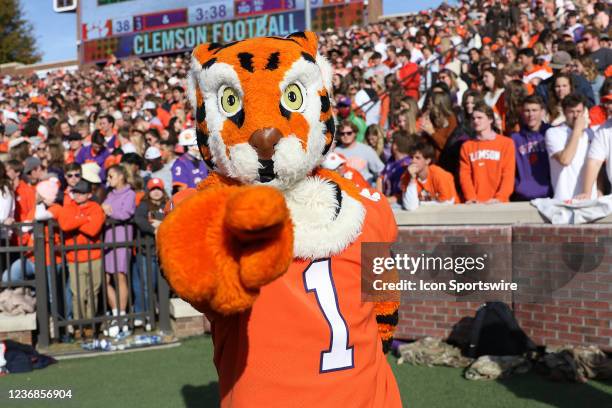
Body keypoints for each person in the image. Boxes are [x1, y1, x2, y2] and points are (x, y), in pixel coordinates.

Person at [51, 179, 105, 337]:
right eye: (76, 192)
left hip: (94, 256)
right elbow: (65, 225)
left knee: (93, 293)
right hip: (74, 257)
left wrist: (77, 221)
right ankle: (79, 325)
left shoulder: (95, 207)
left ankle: (90, 324)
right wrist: (84, 218)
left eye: (82, 193)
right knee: (78, 294)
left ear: (89, 194)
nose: (78, 196)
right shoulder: (68, 207)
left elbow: (94, 230)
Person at [101, 164, 136, 337]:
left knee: (120, 276)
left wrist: (110, 211)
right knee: (105, 278)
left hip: (122, 239)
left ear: (121, 176)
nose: (108, 179)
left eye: (111, 176)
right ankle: (116, 313)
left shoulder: (130, 194)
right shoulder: (109, 194)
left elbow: (126, 213)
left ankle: (121, 316)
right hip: (108, 239)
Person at [459, 102, 516, 203]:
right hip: (475, 204)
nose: (475, 121)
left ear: (490, 119)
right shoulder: (466, 146)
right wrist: (471, 198)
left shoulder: (506, 143)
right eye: (473, 118)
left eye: (479, 118)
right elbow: (465, 176)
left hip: (499, 203)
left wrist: (500, 198)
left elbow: (508, 174)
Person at [545, 94, 596, 200]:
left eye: (579, 111)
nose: (576, 116)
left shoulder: (590, 134)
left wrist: (599, 190)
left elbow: (596, 166)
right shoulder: (553, 133)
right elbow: (565, 160)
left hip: (589, 199)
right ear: (564, 112)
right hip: (565, 198)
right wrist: (577, 130)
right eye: (571, 112)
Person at [132, 177, 168, 329]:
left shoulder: (168, 203)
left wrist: (163, 225)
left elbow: (176, 216)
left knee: (163, 286)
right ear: (148, 191)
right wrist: (154, 229)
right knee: (147, 285)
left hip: (163, 252)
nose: (156, 192)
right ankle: (148, 316)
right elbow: (139, 220)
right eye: (153, 189)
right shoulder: (143, 205)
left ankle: (160, 316)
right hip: (146, 252)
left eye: (158, 189)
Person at [510, 95, 552, 201]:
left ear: (542, 112)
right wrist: (518, 185)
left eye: (534, 110)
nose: (531, 114)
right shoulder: (515, 139)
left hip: (549, 194)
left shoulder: (552, 133)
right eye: (527, 111)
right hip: (523, 195)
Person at [402, 141, 459, 210]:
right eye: (411, 157)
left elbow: (447, 202)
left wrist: (421, 204)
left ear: (427, 161)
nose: (413, 161)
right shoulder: (407, 175)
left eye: (417, 158)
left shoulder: (440, 175)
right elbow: (410, 206)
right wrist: (412, 179)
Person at [576, 94, 612, 199]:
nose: (609, 106)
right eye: (608, 103)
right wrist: (586, 193)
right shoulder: (603, 129)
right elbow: (595, 162)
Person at [334, 121, 384, 186]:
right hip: (344, 189)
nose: (345, 135)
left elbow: (381, 170)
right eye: (342, 133)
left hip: (364, 190)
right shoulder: (335, 152)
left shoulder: (367, 150)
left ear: (355, 133)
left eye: (349, 133)